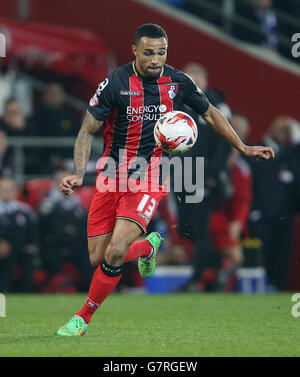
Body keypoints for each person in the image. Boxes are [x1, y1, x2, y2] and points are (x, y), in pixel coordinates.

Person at [56, 23, 274, 337]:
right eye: (148, 53)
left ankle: (82, 319)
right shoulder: (115, 83)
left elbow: (210, 113)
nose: (156, 59)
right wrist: (78, 173)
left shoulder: (178, 82)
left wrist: (242, 146)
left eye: (161, 52)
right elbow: (87, 130)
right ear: (134, 50)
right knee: (98, 258)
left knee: (116, 250)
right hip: (111, 175)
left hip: (151, 176)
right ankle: (147, 248)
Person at [176, 63, 232, 292]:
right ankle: (216, 265)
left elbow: (225, 143)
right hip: (182, 174)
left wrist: (212, 174)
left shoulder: (216, 105)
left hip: (205, 176)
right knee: (184, 227)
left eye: (197, 79)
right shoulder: (177, 105)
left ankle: (198, 278)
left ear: (205, 82)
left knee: (199, 227)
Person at [248, 116, 300, 290]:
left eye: (289, 132)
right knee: (264, 255)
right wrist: (254, 212)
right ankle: (263, 289)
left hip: (284, 215)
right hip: (262, 214)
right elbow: (252, 184)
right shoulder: (258, 149)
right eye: (283, 131)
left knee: (282, 256)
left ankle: (278, 288)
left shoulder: (289, 154)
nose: (286, 135)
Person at [210, 114, 252, 290]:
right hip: (208, 217)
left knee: (236, 258)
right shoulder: (209, 160)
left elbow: (243, 200)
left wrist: (237, 222)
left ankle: (221, 287)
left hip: (223, 221)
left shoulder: (241, 170)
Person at [38, 169, 94, 292]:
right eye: (61, 181)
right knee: (50, 259)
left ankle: (91, 296)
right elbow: (42, 230)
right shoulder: (47, 204)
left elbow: (85, 228)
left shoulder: (78, 205)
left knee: (90, 260)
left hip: (77, 246)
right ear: (54, 183)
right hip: (53, 246)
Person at [0, 177, 39, 292]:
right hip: (3, 247)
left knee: (29, 257)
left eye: (9, 189)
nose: (6, 192)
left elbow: (32, 232)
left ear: (14, 191)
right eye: (3, 189)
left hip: (20, 247)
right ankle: (3, 291)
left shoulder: (24, 210)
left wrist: (32, 246)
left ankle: (25, 293)